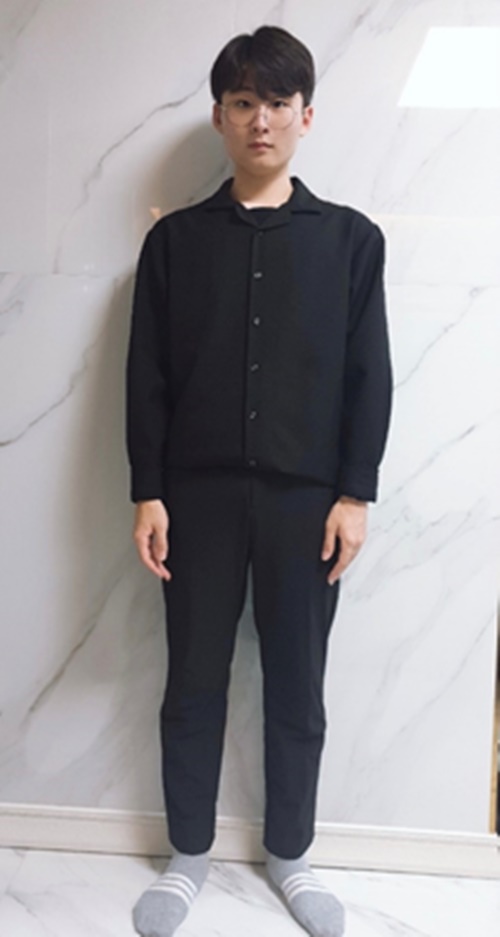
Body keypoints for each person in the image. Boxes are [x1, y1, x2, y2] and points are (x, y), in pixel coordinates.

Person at [125, 24, 392, 937]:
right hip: (194, 501)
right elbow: (147, 375)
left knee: (297, 685)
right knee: (192, 679)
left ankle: (291, 854)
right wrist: (147, 489)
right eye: (243, 102)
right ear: (220, 116)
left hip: (308, 504)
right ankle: (187, 855)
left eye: (278, 102)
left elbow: (370, 373)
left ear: (306, 116)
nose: (261, 119)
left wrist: (355, 494)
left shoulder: (351, 242)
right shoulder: (175, 243)